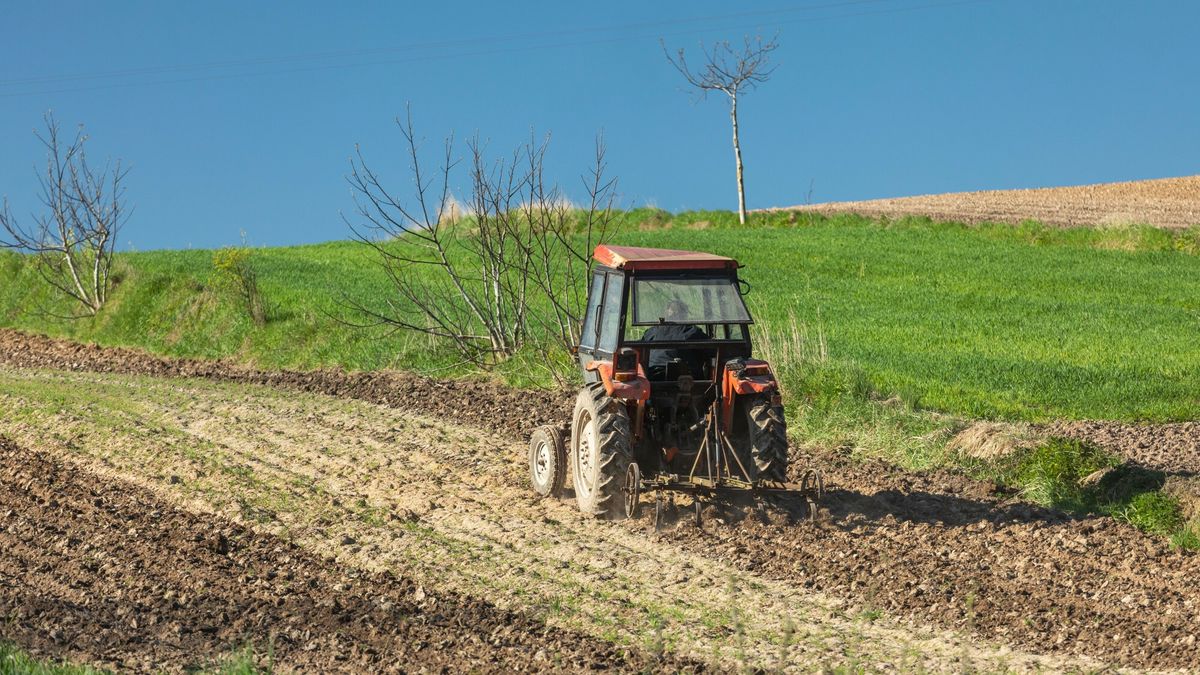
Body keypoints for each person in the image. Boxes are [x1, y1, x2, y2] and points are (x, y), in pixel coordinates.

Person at [641, 299, 708, 379]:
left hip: (653, 377)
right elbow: (711, 352)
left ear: (666, 314)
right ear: (684, 315)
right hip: (687, 380)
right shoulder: (692, 331)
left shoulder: (652, 331)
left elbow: (641, 353)